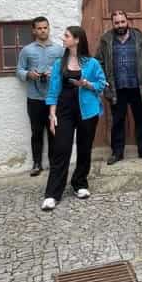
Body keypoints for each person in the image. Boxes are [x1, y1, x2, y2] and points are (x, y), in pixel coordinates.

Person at [42, 25, 107, 211]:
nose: (63, 38)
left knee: (85, 149)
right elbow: (53, 90)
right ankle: (52, 194)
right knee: (60, 150)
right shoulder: (58, 64)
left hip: (87, 111)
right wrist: (52, 113)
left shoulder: (92, 63)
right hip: (64, 111)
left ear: (77, 39)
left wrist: (87, 84)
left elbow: (101, 84)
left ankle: (80, 183)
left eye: (67, 36)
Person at [97, 10, 142, 164]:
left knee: (141, 120)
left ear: (127, 21)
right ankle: (117, 153)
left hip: (139, 87)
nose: (120, 25)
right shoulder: (106, 40)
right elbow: (99, 63)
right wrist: (104, 85)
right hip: (117, 89)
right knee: (117, 121)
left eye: (122, 22)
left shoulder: (140, 38)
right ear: (113, 23)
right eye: (116, 23)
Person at [16, 16, 62, 176]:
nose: (43, 30)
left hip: (53, 98)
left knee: (54, 131)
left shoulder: (59, 49)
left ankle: (54, 164)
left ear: (49, 29)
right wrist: (29, 74)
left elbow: (65, 69)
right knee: (36, 132)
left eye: (45, 27)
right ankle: (36, 164)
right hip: (34, 98)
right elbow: (19, 70)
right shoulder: (27, 50)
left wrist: (54, 73)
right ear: (34, 30)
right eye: (39, 28)